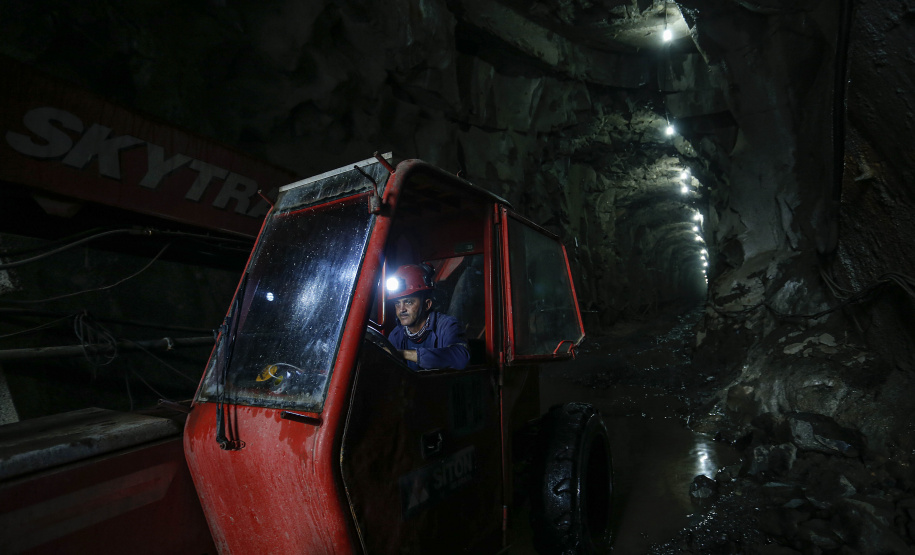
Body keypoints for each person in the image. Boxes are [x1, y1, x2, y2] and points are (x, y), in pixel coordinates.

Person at [385, 264, 470, 371]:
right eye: (397, 303)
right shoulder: (396, 335)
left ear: (427, 305)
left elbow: (461, 358)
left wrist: (403, 354)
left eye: (408, 302)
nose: (401, 309)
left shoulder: (447, 326)